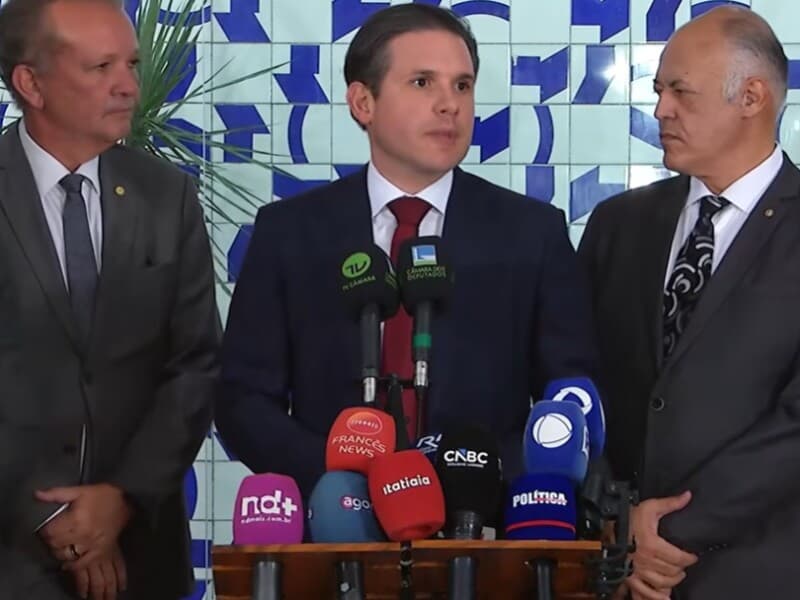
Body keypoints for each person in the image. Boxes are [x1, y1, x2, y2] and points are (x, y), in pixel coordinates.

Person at [217, 3, 596, 501]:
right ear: (363, 103)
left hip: (484, 521)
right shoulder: (289, 233)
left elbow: (570, 397)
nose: (450, 105)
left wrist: (473, 478)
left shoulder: (532, 233)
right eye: (422, 83)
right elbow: (244, 401)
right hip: (333, 520)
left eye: (462, 85)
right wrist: (337, 478)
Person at [0, 0, 221, 598]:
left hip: (139, 551)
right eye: (101, 67)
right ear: (31, 84)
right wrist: (53, 519)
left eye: (131, 64)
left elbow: (196, 364)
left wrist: (119, 500)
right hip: (10, 554)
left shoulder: (167, 197)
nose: (128, 86)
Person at [578, 6, 797, 600]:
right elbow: (575, 383)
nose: (660, 110)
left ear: (751, 97)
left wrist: (668, 534)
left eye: (680, 91)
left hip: (759, 574)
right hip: (616, 571)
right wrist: (616, 521)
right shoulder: (618, 225)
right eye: (658, 91)